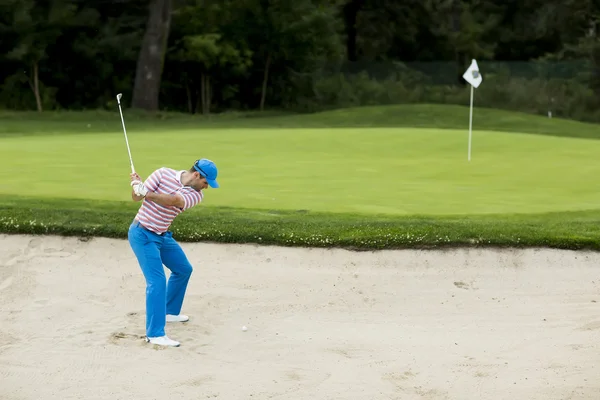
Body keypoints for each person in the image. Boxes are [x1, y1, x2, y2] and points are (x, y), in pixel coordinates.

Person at [127, 158, 219, 347]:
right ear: (196, 175)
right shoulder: (162, 174)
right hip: (142, 234)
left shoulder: (196, 194)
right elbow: (136, 198)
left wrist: (147, 193)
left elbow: (174, 200)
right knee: (157, 281)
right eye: (205, 182)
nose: (206, 187)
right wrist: (137, 187)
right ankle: (154, 334)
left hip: (162, 236)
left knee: (183, 269)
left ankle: (169, 311)